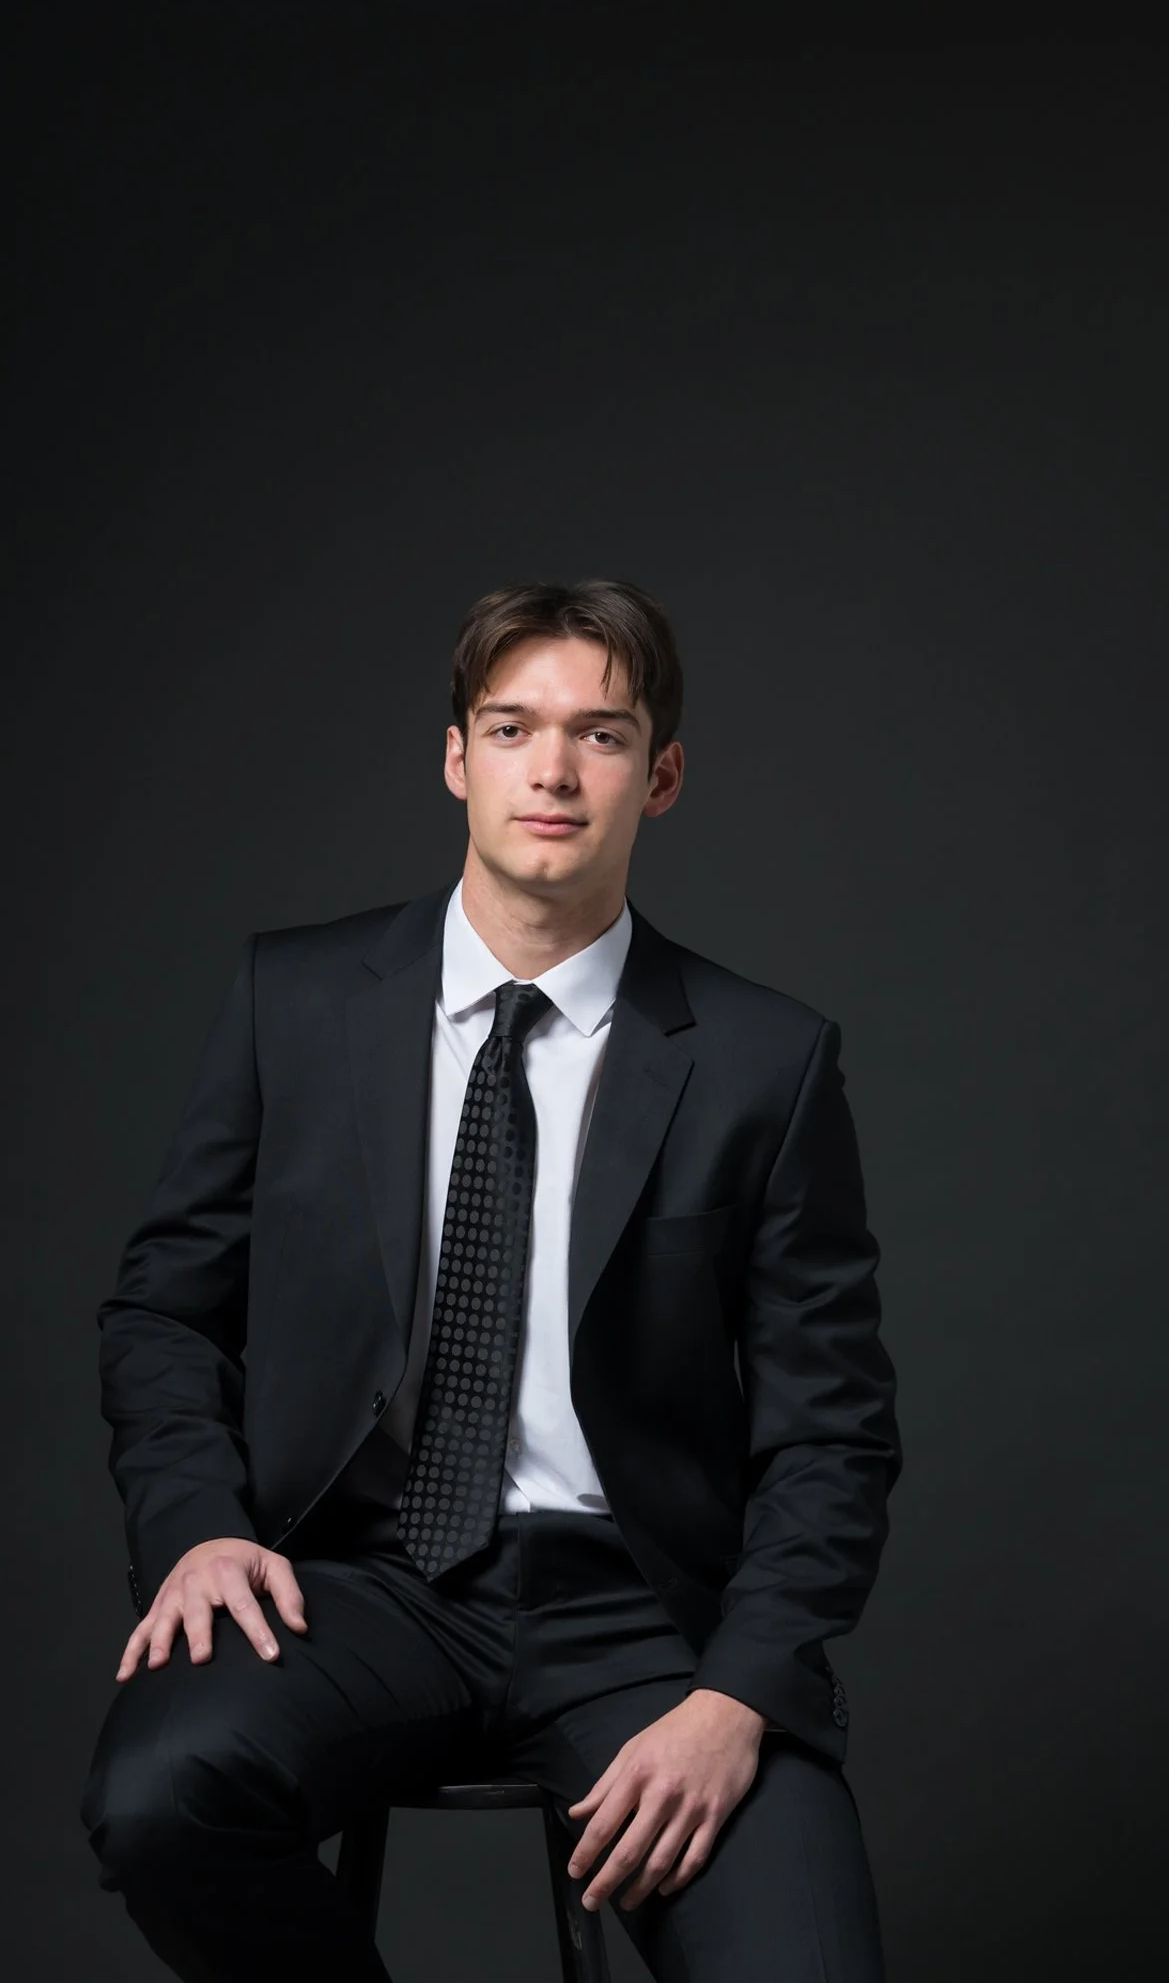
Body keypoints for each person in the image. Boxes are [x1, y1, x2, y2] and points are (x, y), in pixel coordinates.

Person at [78, 577, 903, 1982]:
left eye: (601, 732)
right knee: (159, 1800)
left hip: (645, 1618)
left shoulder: (767, 1058)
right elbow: (164, 1306)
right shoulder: (299, 998)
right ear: (458, 757)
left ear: (664, 773)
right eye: (514, 727)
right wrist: (198, 1528)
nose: (555, 769)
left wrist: (735, 1694)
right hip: (360, 1585)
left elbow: (834, 1432)